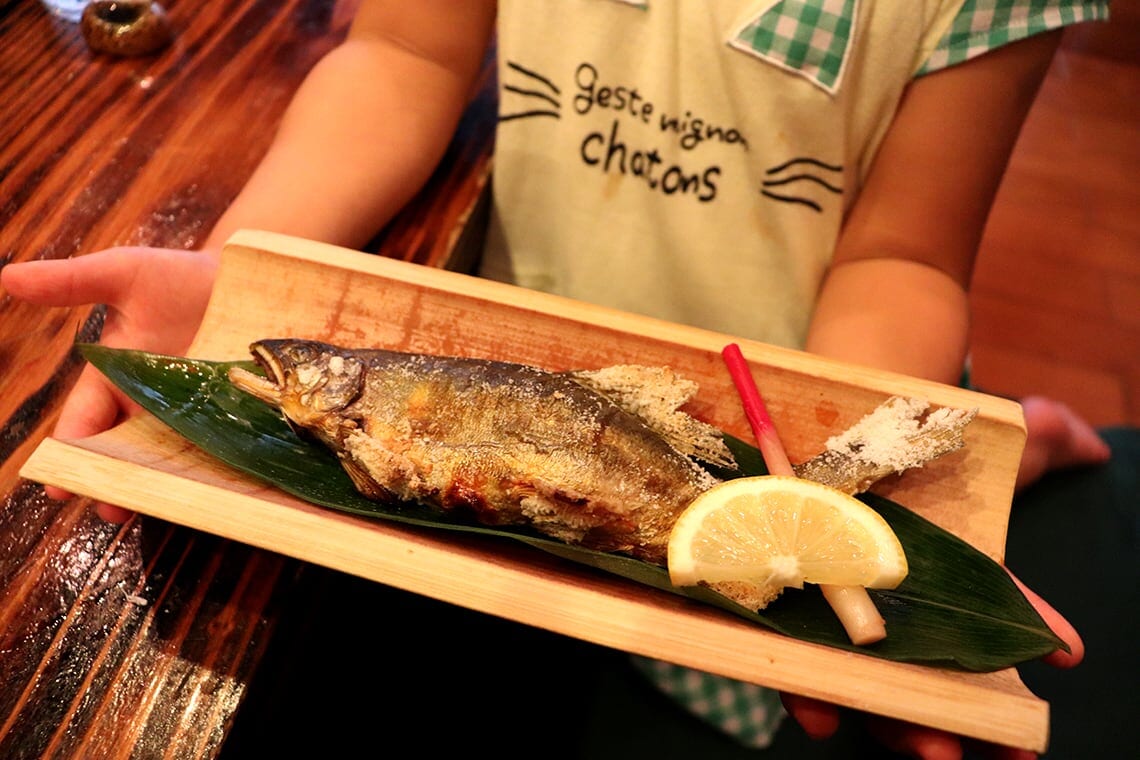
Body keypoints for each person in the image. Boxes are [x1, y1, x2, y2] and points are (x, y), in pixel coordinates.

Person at [1, 1, 1121, 757]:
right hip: (520, 382)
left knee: (861, 519)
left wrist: (805, 521)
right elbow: (405, 55)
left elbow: (907, 258)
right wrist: (240, 275)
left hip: (763, 408)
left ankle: (1035, 439)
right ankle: (1045, 429)